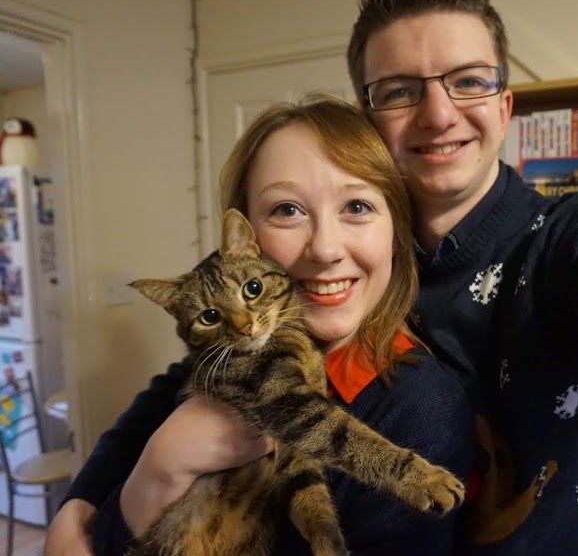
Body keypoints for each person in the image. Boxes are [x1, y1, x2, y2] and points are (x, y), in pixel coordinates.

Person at [48, 0, 578, 555]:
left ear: (505, 107)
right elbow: (184, 384)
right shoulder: (338, 264)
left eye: (469, 82)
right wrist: (83, 505)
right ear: (369, 124)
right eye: (400, 91)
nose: (438, 115)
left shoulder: (572, 235)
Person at [47, 96, 474, 556]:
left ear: (396, 231)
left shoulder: (421, 409)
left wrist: (142, 490)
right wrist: (142, 477)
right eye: (287, 210)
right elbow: (133, 431)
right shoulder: (237, 352)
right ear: (249, 234)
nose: (325, 249)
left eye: (357, 205)